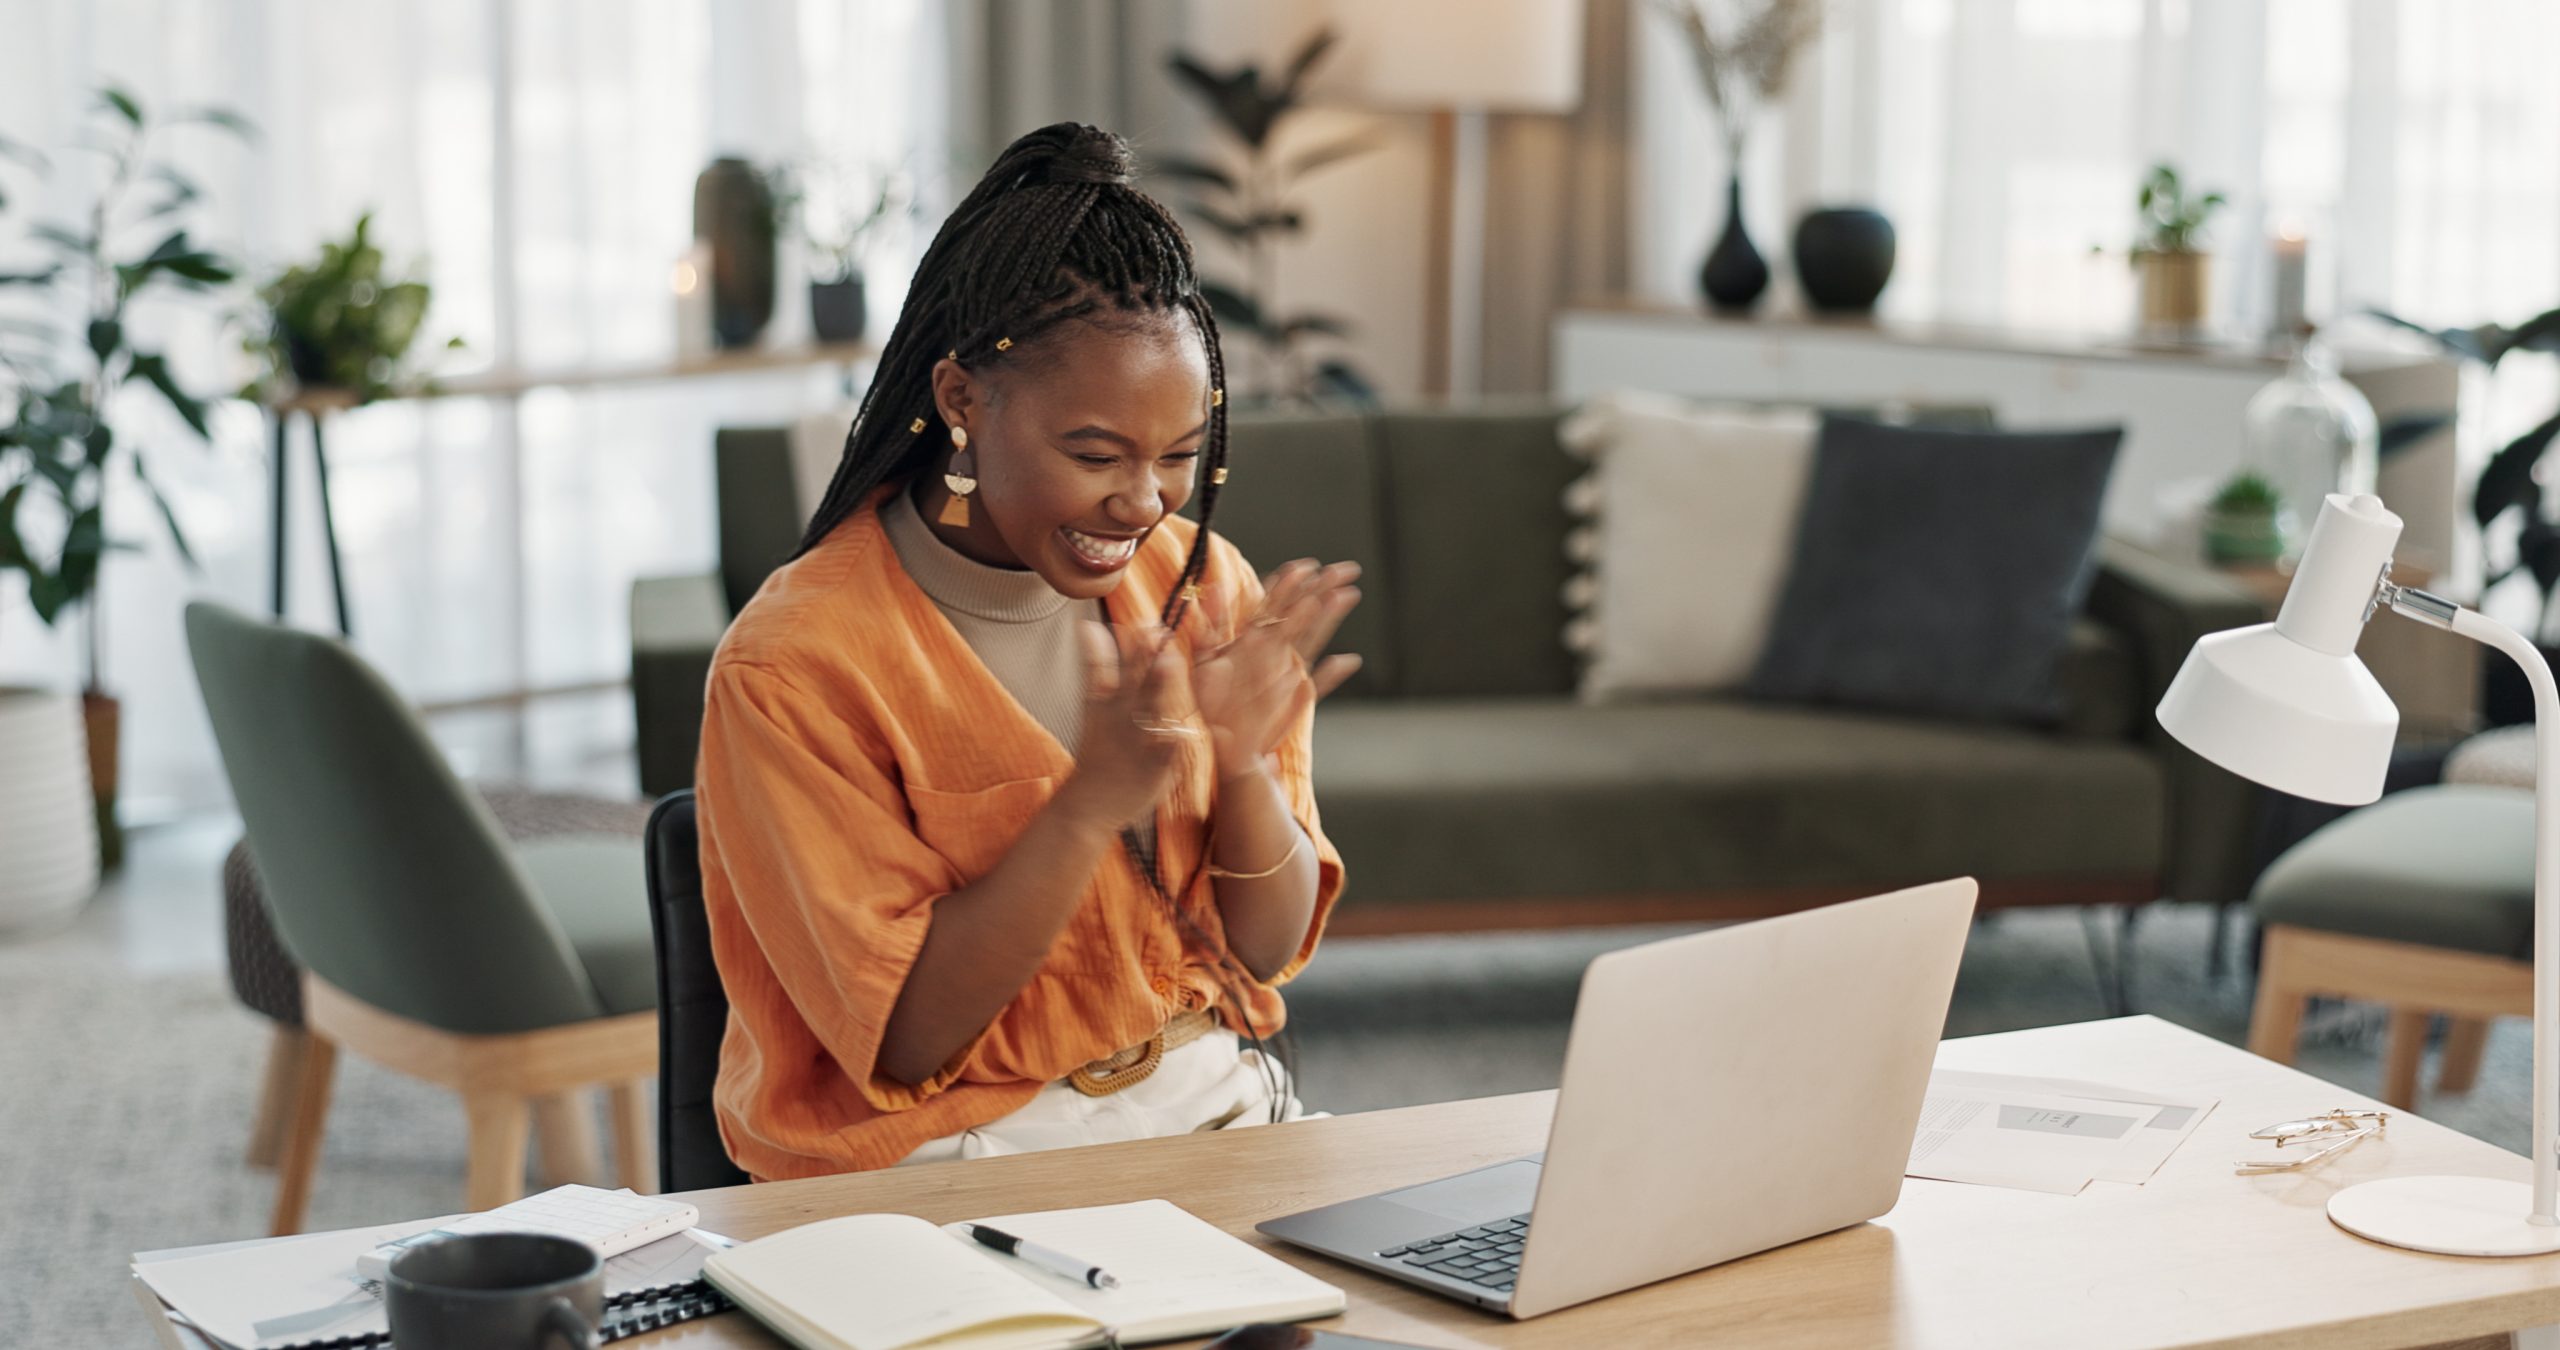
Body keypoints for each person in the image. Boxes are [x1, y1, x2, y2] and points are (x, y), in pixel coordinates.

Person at [695, 123, 1363, 1181]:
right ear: (960, 401)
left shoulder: (1203, 586)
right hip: (949, 1152)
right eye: (1094, 453)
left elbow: (1266, 951)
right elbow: (909, 1041)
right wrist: (1090, 803)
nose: (1142, 502)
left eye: (1181, 456)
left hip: (1205, 1109)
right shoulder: (797, 662)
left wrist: (1238, 770)